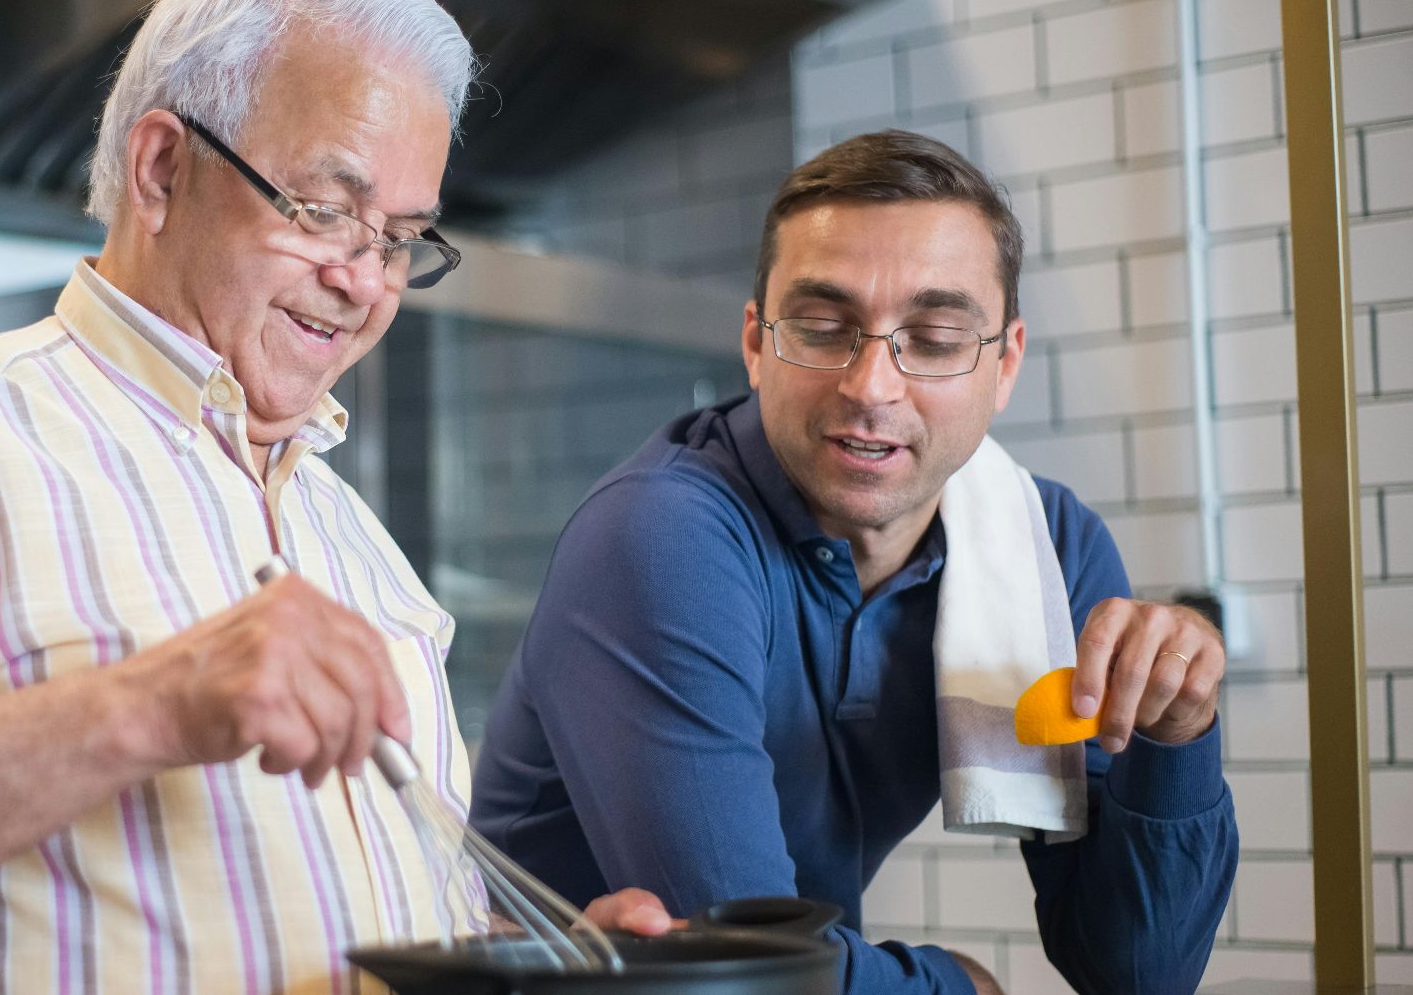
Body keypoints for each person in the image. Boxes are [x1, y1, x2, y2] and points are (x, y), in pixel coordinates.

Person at [0, 0, 666, 994]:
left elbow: (353, 913)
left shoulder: (348, 531)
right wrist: (145, 708)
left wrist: (550, 960)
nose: (363, 282)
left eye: (400, 238)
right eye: (325, 209)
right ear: (162, 169)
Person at [470, 130, 1239, 994]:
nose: (872, 385)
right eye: (823, 327)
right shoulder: (660, 537)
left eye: (937, 337)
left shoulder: (1040, 551)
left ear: (1005, 362)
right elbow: (742, 965)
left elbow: (1139, 971)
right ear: (757, 343)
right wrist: (964, 987)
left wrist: (1177, 734)